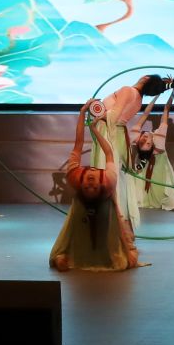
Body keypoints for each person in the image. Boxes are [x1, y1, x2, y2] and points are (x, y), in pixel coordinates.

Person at [49, 101, 142, 271]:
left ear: (81, 186)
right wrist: (94, 130)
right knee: (126, 258)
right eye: (93, 187)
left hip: (91, 213)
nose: (90, 182)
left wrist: (82, 113)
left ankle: (77, 253)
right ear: (100, 186)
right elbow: (109, 153)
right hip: (105, 212)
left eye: (87, 187)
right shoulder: (108, 180)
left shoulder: (75, 176)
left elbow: (78, 144)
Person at [94, 74, 174, 229]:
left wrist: (95, 112)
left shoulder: (128, 90)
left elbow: (113, 115)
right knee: (114, 173)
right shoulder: (138, 100)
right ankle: (116, 215)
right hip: (115, 133)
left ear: (145, 78)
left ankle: (112, 216)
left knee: (108, 171)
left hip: (109, 132)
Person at [125, 78, 174, 214]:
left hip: (158, 168)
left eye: (144, 141)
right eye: (146, 142)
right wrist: (172, 92)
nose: (145, 138)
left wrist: (159, 92)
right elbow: (166, 110)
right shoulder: (158, 139)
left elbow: (146, 113)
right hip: (151, 168)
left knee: (164, 192)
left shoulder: (138, 136)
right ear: (152, 145)